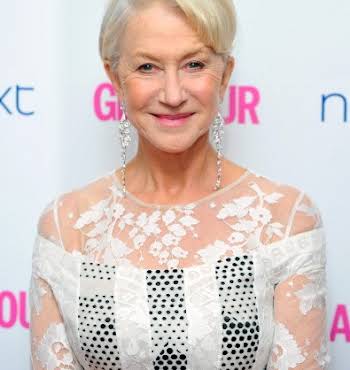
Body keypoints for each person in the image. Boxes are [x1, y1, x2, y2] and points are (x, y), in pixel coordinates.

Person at [29, 0, 331, 369]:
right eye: (147, 67)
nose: (173, 95)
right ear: (114, 78)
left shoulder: (285, 220)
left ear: (225, 74)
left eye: (194, 64)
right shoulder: (66, 226)